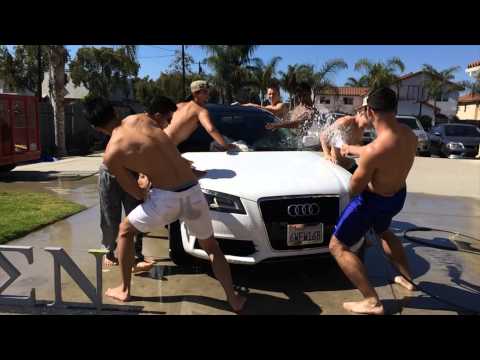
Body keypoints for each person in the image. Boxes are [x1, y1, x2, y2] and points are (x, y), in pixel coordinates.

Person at [85, 97, 247, 313]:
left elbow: (137, 193)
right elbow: (165, 146)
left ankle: (124, 289)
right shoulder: (141, 119)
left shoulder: (111, 154)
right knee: (211, 247)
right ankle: (233, 299)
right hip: (192, 190)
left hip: (166, 199)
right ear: (114, 111)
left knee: (125, 231)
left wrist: (144, 183)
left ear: (95, 127)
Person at [328, 87, 417, 315]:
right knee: (385, 231)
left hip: (372, 202)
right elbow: (381, 152)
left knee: (337, 246)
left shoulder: (374, 151)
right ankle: (408, 279)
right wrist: (352, 149)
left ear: (369, 110)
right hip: (397, 196)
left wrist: (359, 169)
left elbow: (354, 188)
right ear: (394, 108)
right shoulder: (409, 135)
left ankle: (371, 301)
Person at [165, 80, 237, 151]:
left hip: (159, 139)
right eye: (205, 92)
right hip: (167, 146)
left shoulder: (179, 105)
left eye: (208, 91)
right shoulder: (200, 111)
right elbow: (211, 129)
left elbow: (165, 120)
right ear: (195, 94)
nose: (208, 94)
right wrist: (226, 146)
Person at [320, 98, 370, 174]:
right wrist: (327, 154)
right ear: (361, 112)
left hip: (351, 166)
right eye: (369, 113)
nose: (372, 117)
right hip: (337, 167)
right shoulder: (345, 122)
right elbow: (323, 136)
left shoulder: (362, 128)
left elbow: (356, 144)